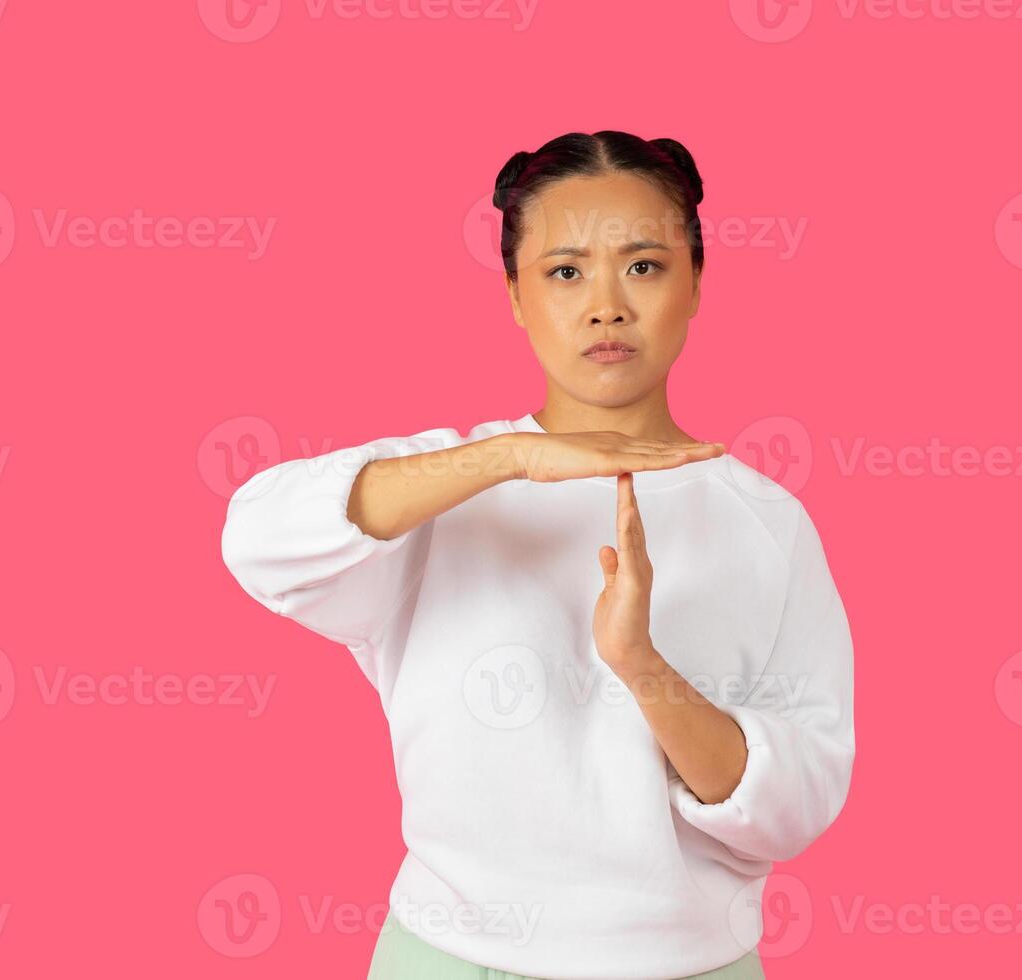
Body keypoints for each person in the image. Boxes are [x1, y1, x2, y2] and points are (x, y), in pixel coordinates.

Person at [219, 130, 855, 980]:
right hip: (447, 958)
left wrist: (641, 664)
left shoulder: (768, 523)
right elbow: (259, 538)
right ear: (515, 296)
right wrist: (510, 458)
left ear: (697, 281)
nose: (605, 305)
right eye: (564, 271)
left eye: (643, 266)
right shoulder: (443, 492)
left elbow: (794, 810)